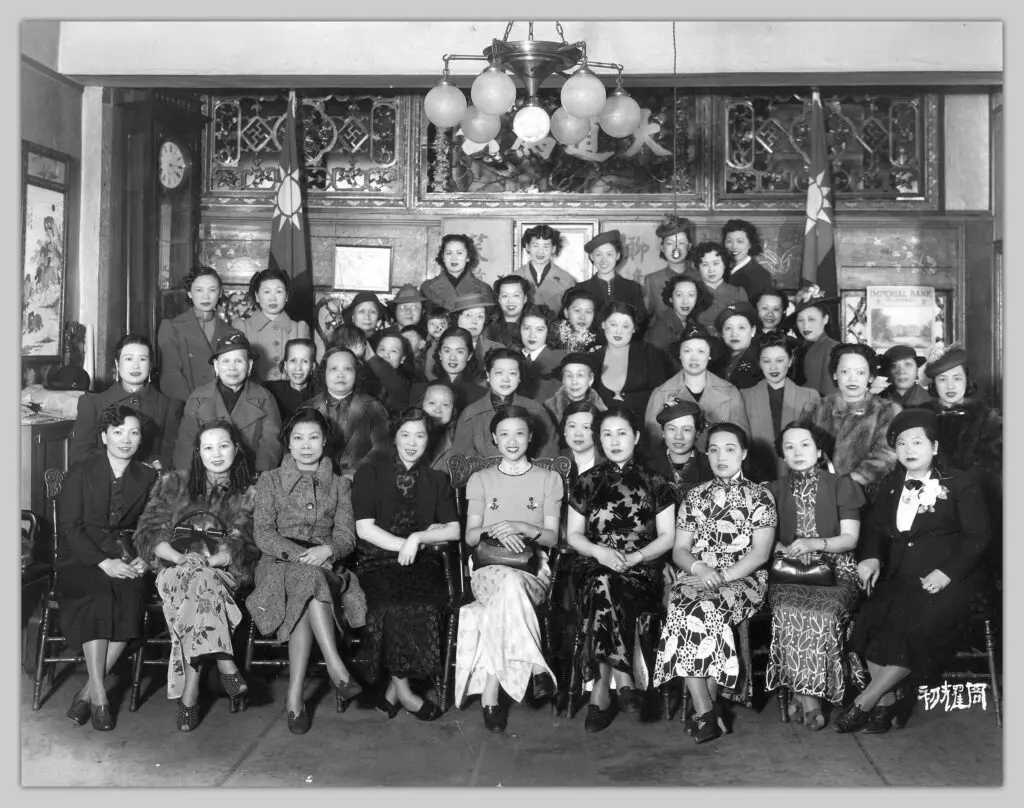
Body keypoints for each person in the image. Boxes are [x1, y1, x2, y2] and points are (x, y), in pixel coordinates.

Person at [838, 408, 991, 734]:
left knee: (909, 626)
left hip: (947, 581)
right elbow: (875, 532)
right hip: (900, 576)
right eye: (902, 443)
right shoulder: (890, 485)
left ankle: (865, 701)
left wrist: (947, 573)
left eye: (917, 442)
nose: (909, 449)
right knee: (871, 620)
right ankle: (887, 701)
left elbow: (979, 536)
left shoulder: (961, 483)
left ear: (934, 447)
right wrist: (872, 558)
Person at [653, 422, 777, 744]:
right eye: (714, 449)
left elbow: (761, 553)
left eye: (730, 449)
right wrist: (700, 568)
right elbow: (680, 549)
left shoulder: (760, 496)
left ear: (744, 453)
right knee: (683, 603)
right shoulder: (695, 496)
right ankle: (706, 709)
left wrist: (721, 577)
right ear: (706, 454)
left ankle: (703, 713)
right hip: (697, 573)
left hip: (743, 579)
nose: (721, 456)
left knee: (700, 608)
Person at [133, 419, 259, 731]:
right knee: (199, 586)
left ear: (236, 449)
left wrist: (211, 561)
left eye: (224, 445)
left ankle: (190, 694)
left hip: (219, 575)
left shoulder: (249, 494)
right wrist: (179, 558)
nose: (216, 454)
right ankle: (225, 664)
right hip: (174, 572)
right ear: (198, 453)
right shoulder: (173, 483)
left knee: (203, 584)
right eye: (208, 447)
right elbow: (147, 534)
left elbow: (246, 544)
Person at [246, 409, 366, 734]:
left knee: (310, 583)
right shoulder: (270, 480)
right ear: (288, 442)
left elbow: (345, 535)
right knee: (308, 577)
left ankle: (294, 696)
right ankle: (337, 669)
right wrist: (302, 555)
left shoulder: (340, 485)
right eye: (298, 438)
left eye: (313, 437)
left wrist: (328, 550)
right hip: (277, 565)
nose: (306, 445)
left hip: (325, 565)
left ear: (325, 441)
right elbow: (263, 533)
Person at [566, 405, 677, 733]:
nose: (614, 441)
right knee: (601, 579)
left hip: (640, 568)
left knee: (606, 585)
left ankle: (602, 689)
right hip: (594, 562)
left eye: (622, 433)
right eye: (607, 434)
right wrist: (600, 552)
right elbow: (573, 535)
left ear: (637, 437)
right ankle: (624, 678)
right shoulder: (586, 481)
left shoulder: (656, 482)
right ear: (598, 439)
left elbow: (668, 536)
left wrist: (635, 558)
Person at [453, 406, 563, 733]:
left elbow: (554, 538)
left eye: (519, 433)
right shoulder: (480, 480)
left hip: (532, 571)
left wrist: (520, 526)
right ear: (494, 439)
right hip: (487, 569)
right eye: (504, 434)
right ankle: (536, 667)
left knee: (513, 584)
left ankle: (491, 693)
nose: (511, 441)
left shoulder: (549, 479)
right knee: (507, 582)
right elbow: (470, 536)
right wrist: (495, 530)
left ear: (531, 437)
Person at [351, 407, 461, 720]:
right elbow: (365, 528)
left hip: (423, 562)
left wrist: (417, 540)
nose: (413, 442)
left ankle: (392, 691)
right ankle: (404, 691)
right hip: (377, 561)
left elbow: (454, 529)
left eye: (421, 435)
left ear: (430, 439)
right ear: (394, 437)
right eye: (406, 434)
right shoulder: (370, 472)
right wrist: (408, 542)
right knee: (389, 606)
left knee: (423, 603)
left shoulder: (436, 479)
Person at [55, 404, 158, 732]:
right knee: (100, 596)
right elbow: (70, 528)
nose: (125, 440)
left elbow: (151, 526)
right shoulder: (81, 471)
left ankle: (87, 693)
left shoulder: (149, 476)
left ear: (141, 438)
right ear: (104, 436)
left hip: (126, 555)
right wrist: (103, 562)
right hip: (82, 558)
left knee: (130, 600)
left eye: (133, 433)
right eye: (117, 433)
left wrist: (144, 557)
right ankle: (100, 697)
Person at [766, 421, 866, 731]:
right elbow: (765, 538)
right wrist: (790, 550)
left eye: (805, 444)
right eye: (790, 446)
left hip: (838, 569)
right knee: (786, 609)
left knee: (823, 612)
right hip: (789, 570)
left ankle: (802, 697)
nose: (797, 452)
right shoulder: (771, 490)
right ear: (782, 453)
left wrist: (815, 544)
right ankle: (809, 700)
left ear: (819, 450)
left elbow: (850, 539)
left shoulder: (842, 484)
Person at [68, 333, 182, 471]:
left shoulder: (170, 406)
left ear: (150, 365)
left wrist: (151, 468)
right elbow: (80, 456)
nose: (135, 366)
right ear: (117, 364)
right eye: (128, 359)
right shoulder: (92, 403)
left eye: (142, 359)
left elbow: (172, 455)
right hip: (102, 485)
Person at [173, 332, 283, 473]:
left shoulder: (265, 398)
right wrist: (188, 479)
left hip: (250, 476)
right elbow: (186, 442)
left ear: (249, 366)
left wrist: (260, 478)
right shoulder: (198, 398)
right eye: (226, 361)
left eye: (238, 361)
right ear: (216, 366)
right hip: (206, 477)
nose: (232, 367)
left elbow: (271, 443)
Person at [801, 343, 902, 495]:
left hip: (868, 496)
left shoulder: (886, 411)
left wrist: (847, 484)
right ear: (835, 374)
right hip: (820, 493)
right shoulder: (815, 408)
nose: (852, 378)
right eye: (845, 371)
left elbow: (886, 457)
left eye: (860, 372)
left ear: (871, 377)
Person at [644, 320, 750, 456]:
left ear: (710, 355)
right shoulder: (660, 393)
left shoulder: (730, 392)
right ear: (680, 355)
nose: (694, 358)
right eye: (687, 351)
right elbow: (652, 448)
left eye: (701, 351)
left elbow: (743, 442)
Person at [449, 347, 559, 460]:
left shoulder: (536, 410)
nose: (505, 379)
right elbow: (460, 457)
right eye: (499, 373)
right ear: (488, 375)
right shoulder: (471, 414)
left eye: (512, 373)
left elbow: (549, 452)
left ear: (519, 377)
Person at [740, 332, 821, 482]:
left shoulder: (810, 396)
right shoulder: (745, 396)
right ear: (759, 362)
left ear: (790, 361)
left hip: (799, 477)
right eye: (766, 361)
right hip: (758, 478)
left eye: (779, 360)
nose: (773, 367)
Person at [302, 346, 390, 481]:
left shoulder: (373, 406)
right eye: (334, 369)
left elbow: (382, 447)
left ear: (357, 373)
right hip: (316, 483)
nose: (340, 374)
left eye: (347, 369)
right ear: (324, 373)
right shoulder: (308, 408)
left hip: (361, 483)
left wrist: (354, 473)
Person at [157, 266, 237, 403]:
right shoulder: (172, 328)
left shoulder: (232, 333)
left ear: (220, 293)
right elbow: (171, 377)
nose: (206, 296)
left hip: (223, 408)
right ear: (189, 293)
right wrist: (193, 408)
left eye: (212, 290)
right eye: (199, 290)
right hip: (185, 409)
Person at [591, 301, 675, 423]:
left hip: (645, 423)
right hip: (604, 428)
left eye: (626, 326)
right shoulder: (593, 359)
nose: (618, 331)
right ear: (604, 324)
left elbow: (661, 391)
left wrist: (629, 400)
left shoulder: (648, 352)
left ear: (634, 329)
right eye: (613, 324)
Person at [231, 268, 311, 383]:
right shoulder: (242, 328)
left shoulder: (299, 329)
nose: (273, 298)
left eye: (278, 291)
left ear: (287, 296)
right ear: (257, 296)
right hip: (253, 396)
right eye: (267, 292)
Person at [646, 400, 713, 507]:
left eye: (686, 429)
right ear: (663, 432)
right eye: (672, 429)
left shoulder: (711, 467)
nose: (678, 436)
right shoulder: (647, 467)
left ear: (697, 433)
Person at [413, 326, 487, 408]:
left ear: (469, 355)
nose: (452, 357)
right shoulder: (420, 390)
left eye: (460, 352)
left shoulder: (481, 395)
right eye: (447, 351)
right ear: (440, 354)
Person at [577, 231, 647, 319]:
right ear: (591, 256)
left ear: (617, 255)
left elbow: (641, 320)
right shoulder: (580, 289)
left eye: (609, 254)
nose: (603, 260)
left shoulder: (632, 288)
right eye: (598, 254)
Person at [787, 285, 841, 397]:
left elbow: (831, 396)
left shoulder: (833, 349)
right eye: (800, 320)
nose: (805, 326)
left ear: (825, 319)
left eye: (811, 319)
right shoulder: (799, 347)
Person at [420, 234, 496, 311]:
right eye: (449, 253)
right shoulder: (427, 287)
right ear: (443, 257)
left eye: (459, 253)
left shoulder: (483, 288)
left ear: (468, 257)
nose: (454, 258)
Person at [513, 224, 578, 312]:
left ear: (553, 249)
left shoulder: (567, 279)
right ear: (527, 247)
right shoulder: (514, 277)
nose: (540, 251)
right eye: (535, 246)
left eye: (546, 246)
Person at [642, 216, 696, 318]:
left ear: (689, 246)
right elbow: (645, 318)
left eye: (681, 243)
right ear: (662, 248)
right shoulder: (652, 281)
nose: (676, 248)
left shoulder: (700, 277)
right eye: (670, 243)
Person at [689, 242, 748, 337]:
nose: (711, 270)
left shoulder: (738, 293)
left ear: (725, 264)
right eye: (705, 265)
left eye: (716, 263)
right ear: (698, 267)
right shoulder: (692, 292)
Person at [644, 274, 708, 356]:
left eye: (691, 295)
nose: (685, 301)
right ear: (671, 298)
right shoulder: (660, 327)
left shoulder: (693, 323)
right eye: (679, 295)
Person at [264, 338, 320, 424]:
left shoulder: (321, 393)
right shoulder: (269, 390)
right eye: (293, 361)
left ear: (313, 366)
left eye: (304, 361)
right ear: (285, 365)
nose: (298, 368)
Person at [542, 352, 607, 425]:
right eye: (568, 375)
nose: (574, 381)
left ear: (591, 379)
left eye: (580, 375)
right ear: (563, 380)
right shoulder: (546, 410)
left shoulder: (603, 413)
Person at [518, 303, 565, 402]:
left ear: (548, 331)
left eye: (539, 330)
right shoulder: (510, 358)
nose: (532, 335)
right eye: (526, 328)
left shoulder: (561, 359)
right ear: (519, 329)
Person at [710, 302, 763, 390]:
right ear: (722, 334)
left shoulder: (761, 362)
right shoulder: (717, 360)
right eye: (728, 328)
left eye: (741, 328)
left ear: (753, 331)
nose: (734, 334)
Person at [368, 330, 421, 417]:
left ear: (402, 359)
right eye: (382, 349)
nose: (386, 355)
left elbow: (389, 378)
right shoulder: (363, 376)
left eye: (393, 351)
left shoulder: (409, 384)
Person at [721, 219, 774, 304]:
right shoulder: (723, 270)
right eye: (729, 241)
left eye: (740, 241)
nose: (734, 246)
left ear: (750, 244)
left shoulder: (760, 275)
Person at [449, 292, 504, 369]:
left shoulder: (497, 349)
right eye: (468, 315)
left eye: (480, 316)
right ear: (456, 318)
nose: (474, 321)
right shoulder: (444, 348)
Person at [557, 400, 604, 484]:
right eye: (572, 426)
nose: (578, 434)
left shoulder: (608, 461)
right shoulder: (555, 459)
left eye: (586, 427)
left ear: (597, 431)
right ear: (564, 429)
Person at [419, 380, 460, 472]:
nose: (438, 410)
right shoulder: (404, 433)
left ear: (453, 410)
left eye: (445, 405)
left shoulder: (460, 440)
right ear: (421, 405)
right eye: (432, 403)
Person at [485, 275, 530, 350]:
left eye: (516, 295)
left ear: (525, 299)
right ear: (499, 299)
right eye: (505, 296)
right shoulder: (487, 325)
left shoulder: (536, 324)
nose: (510, 301)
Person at [556, 285, 602, 354]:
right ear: (566, 312)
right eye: (577, 310)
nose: (582, 317)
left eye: (588, 312)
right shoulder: (554, 340)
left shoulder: (600, 343)